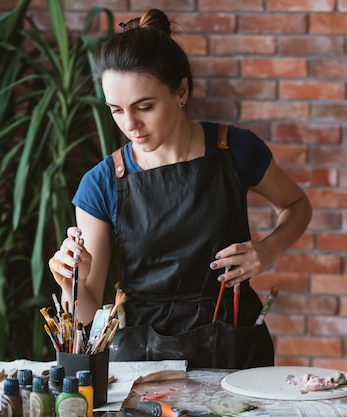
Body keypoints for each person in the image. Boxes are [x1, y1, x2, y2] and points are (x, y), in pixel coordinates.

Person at [48, 9, 312, 369]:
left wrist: (269, 249)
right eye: (116, 110)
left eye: (145, 107)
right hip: (144, 357)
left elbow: (297, 204)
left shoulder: (233, 149)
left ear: (182, 91)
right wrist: (70, 284)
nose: (130, 125)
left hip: (232, 343)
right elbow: (87, 312)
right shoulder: (102, 183)